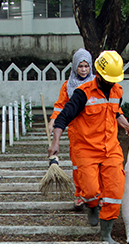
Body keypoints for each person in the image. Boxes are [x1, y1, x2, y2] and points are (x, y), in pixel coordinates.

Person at [48, 50, 129, 244]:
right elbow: (63, 117)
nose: (110, 83)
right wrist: (55, 142)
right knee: (90, 190)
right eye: (107, 79)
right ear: (98, 73)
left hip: (111, 148)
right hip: (86, 148)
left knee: (115, 191)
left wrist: (128, 126)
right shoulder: (83, 93)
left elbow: (116, 112)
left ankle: (106, 234)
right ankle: (91, 205)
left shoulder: (117, 90)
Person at [49, 48, 95, 209]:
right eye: (80, 66)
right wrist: (53, 121)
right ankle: (80, 193)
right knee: (77, 165)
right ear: (75, 66)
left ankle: (95, 194)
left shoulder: (96, 83)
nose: (83, 70)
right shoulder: (68, 86)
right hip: (76, 131)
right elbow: (60, 106)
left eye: (86, 66)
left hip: (95, 131)